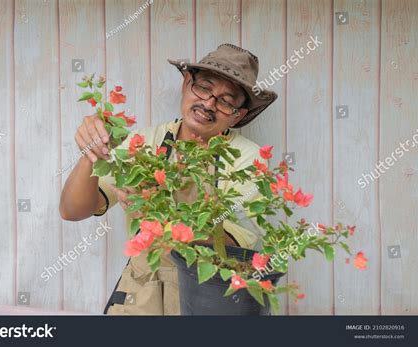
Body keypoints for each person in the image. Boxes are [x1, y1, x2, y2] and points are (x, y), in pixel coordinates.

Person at [59, 43, 278, 315]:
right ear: (187, 83)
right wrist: (90, 151)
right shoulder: (146, 143)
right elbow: (73, 210)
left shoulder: (249, 159)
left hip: (206, 300)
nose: (208, 103)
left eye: (226, 101)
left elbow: (230, 244)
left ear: (239, 115)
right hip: (140, 296)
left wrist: (158, 213)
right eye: (205, 87)